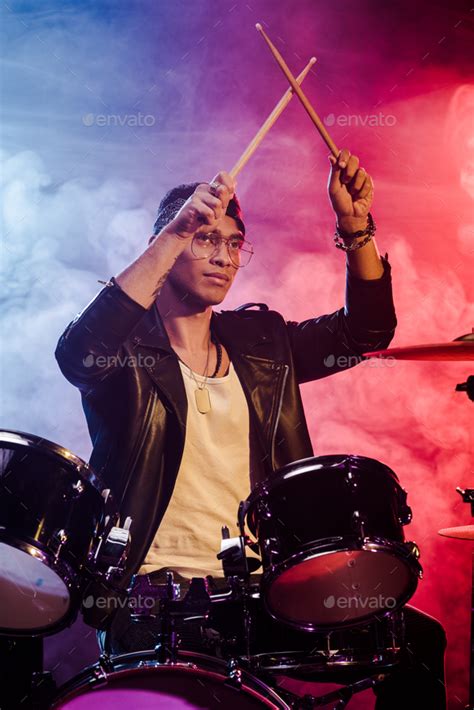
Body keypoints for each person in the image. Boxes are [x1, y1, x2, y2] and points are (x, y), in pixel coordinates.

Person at [55, 149, 447, 708]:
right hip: (152, 594)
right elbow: (79, 354)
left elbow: (365, 332)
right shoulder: (123, 350)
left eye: (233, 243)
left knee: (416, 641)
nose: (223, 256)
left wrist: (356, 228)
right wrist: (170, 237)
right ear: (168, 242)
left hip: (259, 590)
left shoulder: (263, 342)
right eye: (204, 238)